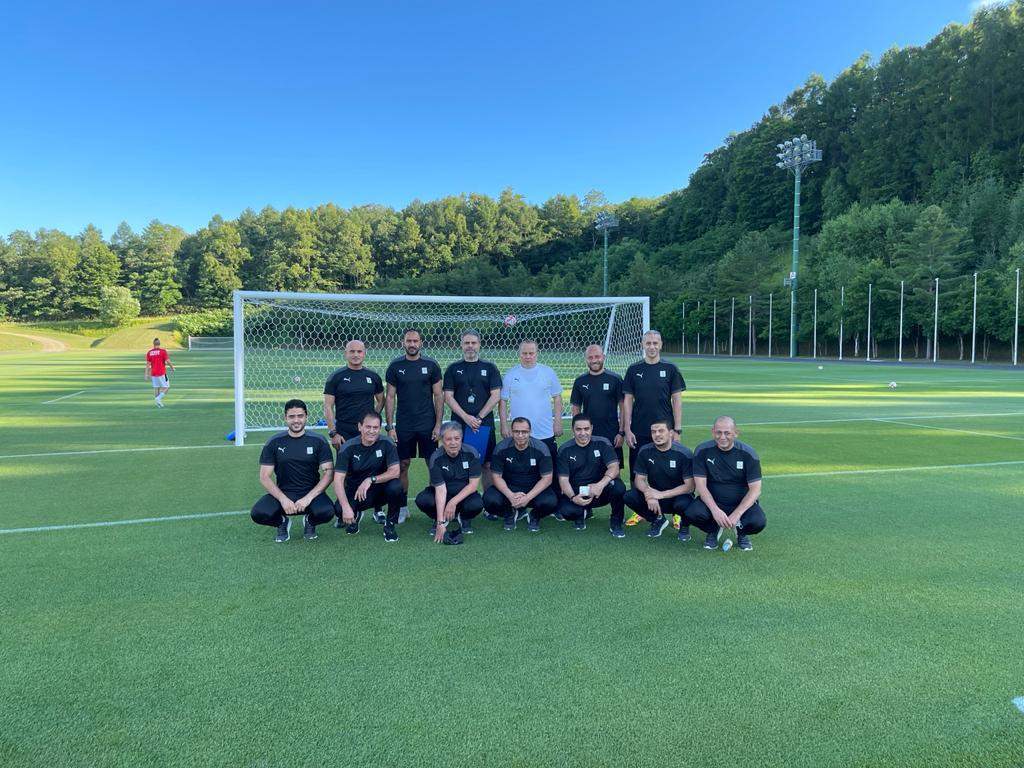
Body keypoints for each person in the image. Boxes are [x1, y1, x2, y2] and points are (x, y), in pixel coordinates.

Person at [622, 330, 685, 528]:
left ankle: (676, 512)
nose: (651, 346)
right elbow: (627, 401)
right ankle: (641, 510)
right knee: (637, 471)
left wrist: (677, 430)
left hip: (665, 431)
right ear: (643, 344)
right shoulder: (634, 369)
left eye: (655, 343)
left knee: (671, 471)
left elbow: (677, 400)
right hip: (639, 430)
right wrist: (627, 429)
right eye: (648, 343)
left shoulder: (670, 368)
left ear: (661, 345)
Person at [251, 399, 335, 543]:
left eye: (300, 416)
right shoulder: (274, 442)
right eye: (292, 416)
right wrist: (283, 499)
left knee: (327, 512)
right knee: (258, 513)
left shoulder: (318, 440)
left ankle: (310, 521)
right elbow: (264, 476)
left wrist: (308, 498)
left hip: (311, 493)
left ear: (306, 416)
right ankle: (282, 522)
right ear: (285, 418)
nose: (296, 420)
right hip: (284, 492)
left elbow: (329, 473)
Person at [384, 328, 444, 523]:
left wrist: (438, 425)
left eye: (415, 341)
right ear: (403, 342)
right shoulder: (395, 366)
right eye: (409, 341)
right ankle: (402, 507)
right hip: (404, 425)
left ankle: (434, 505)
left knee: (432, 463)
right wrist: (390, 426)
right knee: (402, 464)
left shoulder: (431, 365)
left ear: (421, 343)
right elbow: (390, 397)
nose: (412, 344)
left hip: (427, 424)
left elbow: (439, 396)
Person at [683, 416, 766, 551]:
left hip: (739, 503)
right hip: (714, 502)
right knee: (692, 513)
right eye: (718, 432)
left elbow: (755, 490)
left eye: (727, 433)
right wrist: (715, 511)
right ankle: (714, 529)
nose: (722, 437)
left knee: (758, 522)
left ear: (736, 433)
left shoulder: (748, 454)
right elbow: (700, 486)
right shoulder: (702, 450)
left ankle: (740, 531)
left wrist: (737, 514)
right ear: (713, 432)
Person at [332, 411, 405, 542]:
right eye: (368, 427)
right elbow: (338, 480)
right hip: (357, 492)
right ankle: (355, 514)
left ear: (380, 428)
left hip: (380, 491)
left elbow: (395, 471)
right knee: (339, 509)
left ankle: (390, 525)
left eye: (375, 427)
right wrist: (346, 507)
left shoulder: (387, 443)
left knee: (396, 486)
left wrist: (370, 480)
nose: (372, 431)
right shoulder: (348, 447)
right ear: (360, 427)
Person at [442, 329, 502, 488]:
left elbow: (496, 395)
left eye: (473, 343)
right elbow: (448, 397)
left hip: (483, 423)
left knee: (486, 464)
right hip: (459, 424)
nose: (470, 346)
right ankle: (462, 499)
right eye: (467, 343)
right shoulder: (453, 368)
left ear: (479, 344)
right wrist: (466, 417)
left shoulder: (490, 367)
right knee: (460, 463)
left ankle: (489, 500)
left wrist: (479, 417)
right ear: (461, 345)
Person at [555, 413, 627, 537]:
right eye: (578, 429)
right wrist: (573, 497)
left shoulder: (602, 443)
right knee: (567, 512)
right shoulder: (565, 449)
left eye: (586, 429)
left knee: (618, 487)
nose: (583, 433)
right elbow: (563, 480)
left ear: (592, 428)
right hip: (578, 492)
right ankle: (582, 512)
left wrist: (600, 485)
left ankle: (616, 521)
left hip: (600, 491)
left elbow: (614, 468)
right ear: (573, 430)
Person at [623, 419, 695, 540]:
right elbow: (639, 479)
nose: (657, 434)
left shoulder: (684, 453)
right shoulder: (645, 451)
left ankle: (684, 526)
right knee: (630, 496)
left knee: (683, 503)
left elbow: (690, 487)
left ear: (670, 433)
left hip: (678, 496)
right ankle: (658, 520)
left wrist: (661, 495)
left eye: (661, 431)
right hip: (655, 495)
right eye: (653, 432)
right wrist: (648, 493)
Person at [484, 416, 558, 532]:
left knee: (550, 502)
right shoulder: (501, 448)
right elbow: (496, 477)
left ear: (530, 432)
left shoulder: (541, 448)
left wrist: (527, 497)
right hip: (509, 487)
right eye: (516, 431)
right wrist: (510, 496)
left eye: (524, 432)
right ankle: (509, 514)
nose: (520, 435)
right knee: (489, 499)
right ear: (511, 431)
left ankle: (534, 516)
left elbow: (547, 478)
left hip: (533, 488)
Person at [415, 422, 484, 545]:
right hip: (443, 494)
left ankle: (463, 517)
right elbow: (440, 490)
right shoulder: (436, 457)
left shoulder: (471, 453)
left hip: (463, 495)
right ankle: (439, 518)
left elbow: (473, 485)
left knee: (477, 504)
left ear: (461, 439)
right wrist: (440, 523)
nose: (453, 443)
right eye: (448, 439)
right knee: (423, 500)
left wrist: (453, 502)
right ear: (442, 441)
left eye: (456, 438)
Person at [498, 339, 564, 459]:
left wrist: (558, 421)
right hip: (519, 432)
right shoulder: (510, 374)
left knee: (550, 465)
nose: (528, 356)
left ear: (537, 353)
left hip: (545, 430)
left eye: (531, 353)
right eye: (524, 353)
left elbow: (557, 398)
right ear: (519, 353)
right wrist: (504, 425)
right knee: (521, 466)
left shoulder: (548, 372)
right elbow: (503, 401)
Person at [570, 344, 624, 467]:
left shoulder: (615, 379)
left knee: (614, 469)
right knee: (590, 468)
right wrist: (576, 431)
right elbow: (576, 408)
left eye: (597, 356)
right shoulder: (580, 381)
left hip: (612, 433)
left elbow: (623, 407)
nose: (594, 360)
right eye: (590, 357)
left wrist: (621, 433)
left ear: (603, 357)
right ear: (586, 359)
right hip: (588, 433)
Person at [324, 339, 385, 450]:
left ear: (364, 353)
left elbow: (381, 401)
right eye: (352, 351)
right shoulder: (335, 377)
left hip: (367, 430)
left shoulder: (373, 377)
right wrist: (333, 433)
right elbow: (328, 406)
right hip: (344, 431)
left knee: (370, 460)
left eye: (359, 351)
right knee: (345, 461)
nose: (356, 355)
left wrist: (372, 419)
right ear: (345, 353)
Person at [145, 337, 175, 407]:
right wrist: (172, 367)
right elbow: (168, 361)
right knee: (167, 387)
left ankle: (158, 404)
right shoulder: (163, 351)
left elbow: (148, 364)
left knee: (156, 387)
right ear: (159, 343)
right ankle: (158, 398)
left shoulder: (149, 352)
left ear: (153, 344)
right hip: (161, 372)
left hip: (153, 373)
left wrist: (146, 374)